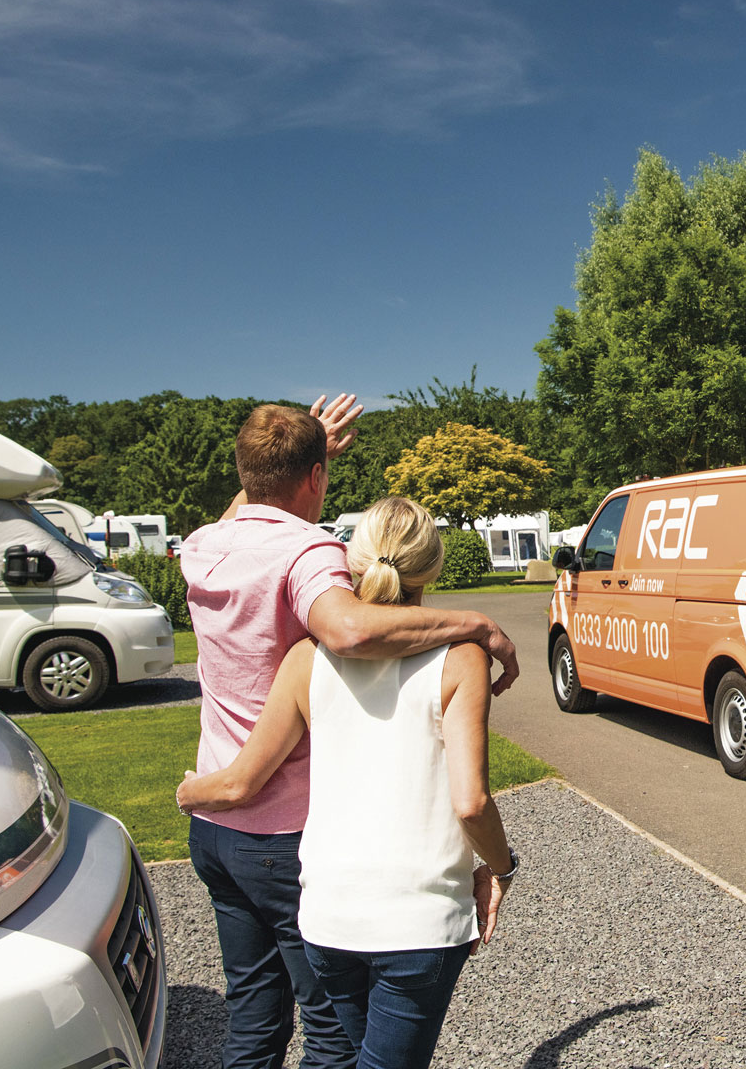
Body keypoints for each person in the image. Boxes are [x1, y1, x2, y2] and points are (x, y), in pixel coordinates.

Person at [180, 397, 519, 1069]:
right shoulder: (309, 551)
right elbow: (351, 630)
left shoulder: (204, 545)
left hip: (219, 823)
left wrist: (199, 793)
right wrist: (475, 627)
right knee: (332, 1041)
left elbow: (245, 514)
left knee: (251, 1020)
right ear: (315, 477)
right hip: (278, 830)